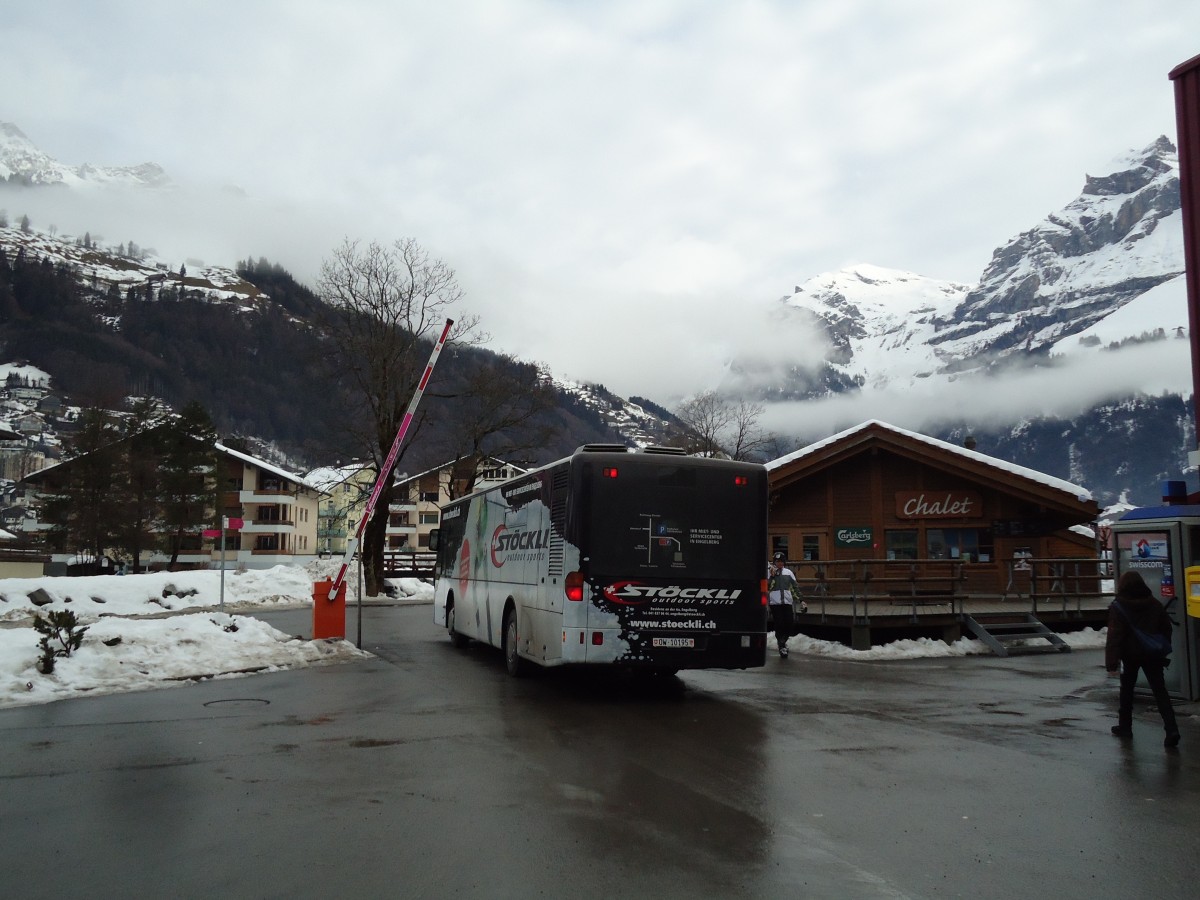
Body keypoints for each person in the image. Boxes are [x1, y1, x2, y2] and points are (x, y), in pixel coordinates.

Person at [1105, 570, 1180, 747]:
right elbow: (1166, 628)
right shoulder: (1154, 603)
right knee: (1160, 692)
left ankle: (1125, 726)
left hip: (1130, 656)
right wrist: (1160, 647)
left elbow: (1115, 636)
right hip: (1152, 655)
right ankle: (1171, 729)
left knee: (1127, 691)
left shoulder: (1119, 606)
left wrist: (1112, 662)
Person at [768, 551, 798, 658]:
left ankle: (783, 641)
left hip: (787, 602)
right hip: (775, 603)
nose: (779, 563)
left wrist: (801, 600)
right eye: (777, 561)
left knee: (789, 623)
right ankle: (781, 645)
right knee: (779, 623)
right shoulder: (770, 573)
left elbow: (795, 587)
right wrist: (772, 577)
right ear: (774, 562)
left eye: (781, 561)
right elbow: (767, 587)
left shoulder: (788, 573)